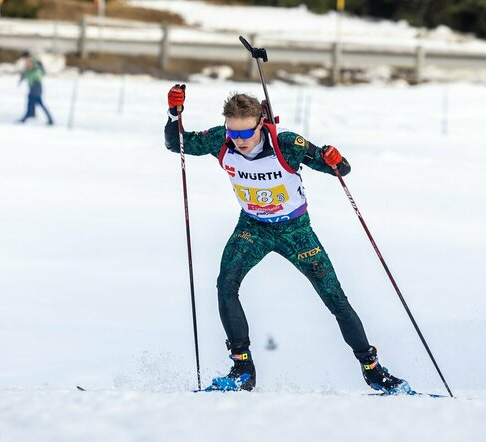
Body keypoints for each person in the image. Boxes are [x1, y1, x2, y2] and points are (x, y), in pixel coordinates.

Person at [164, 84, 410, 394]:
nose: (238, 141)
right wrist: (175, 115)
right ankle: (242, 369)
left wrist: (334, 157)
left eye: (245, 134)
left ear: (260, 124)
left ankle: (373, 370)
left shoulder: (286, 143)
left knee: (335, 298)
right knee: (226, 284)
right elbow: (178, 145)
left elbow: (339, 169)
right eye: (233, 133)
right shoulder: (221, 140)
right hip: (252, 228)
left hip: (296, 231)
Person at [18, 52, 54, 125]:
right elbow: (26, 73)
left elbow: (37, 74)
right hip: (32, 86)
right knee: (30, 101)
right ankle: (30, 115)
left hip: (36, 85)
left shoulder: (35, 64)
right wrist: (22, 77)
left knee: (38, 102)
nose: (25, 61)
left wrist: (30, 70)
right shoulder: (30, 64)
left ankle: (49, 119)